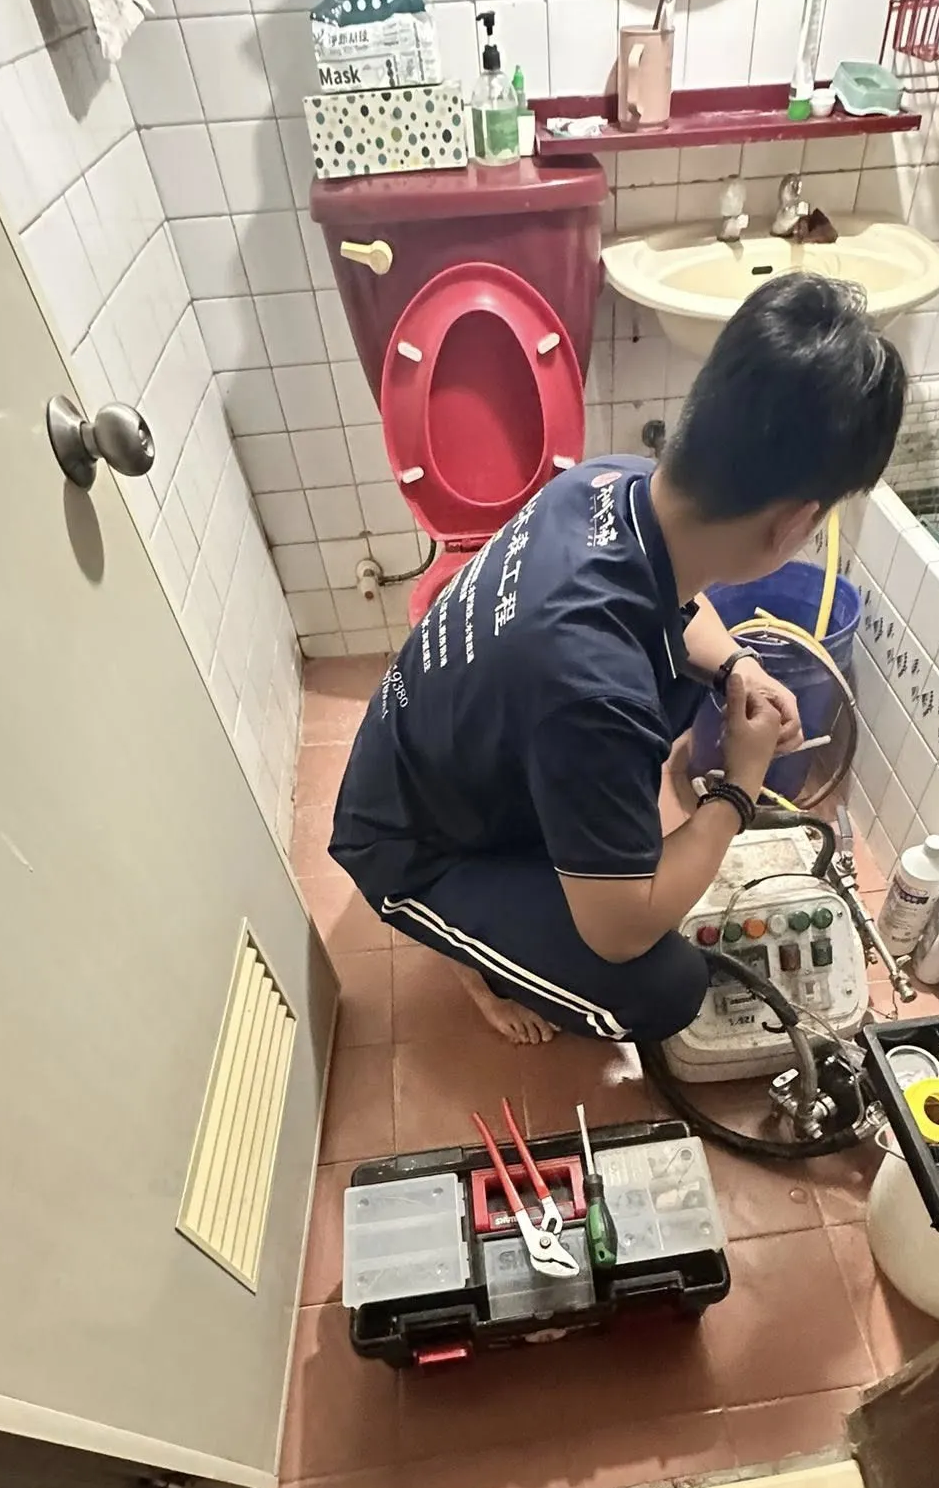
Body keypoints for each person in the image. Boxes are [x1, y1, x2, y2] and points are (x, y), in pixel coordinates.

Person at [330, 274, 906, 1047]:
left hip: (438, 751)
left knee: (682, 678)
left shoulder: (610, 481)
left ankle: (542, 867)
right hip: (411, 847)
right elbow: (621, 931)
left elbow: (681, 601)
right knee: (660, 988)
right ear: (795, 523)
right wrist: (737, 788)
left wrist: (739, 668)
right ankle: (471, 955)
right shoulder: (593, 691)